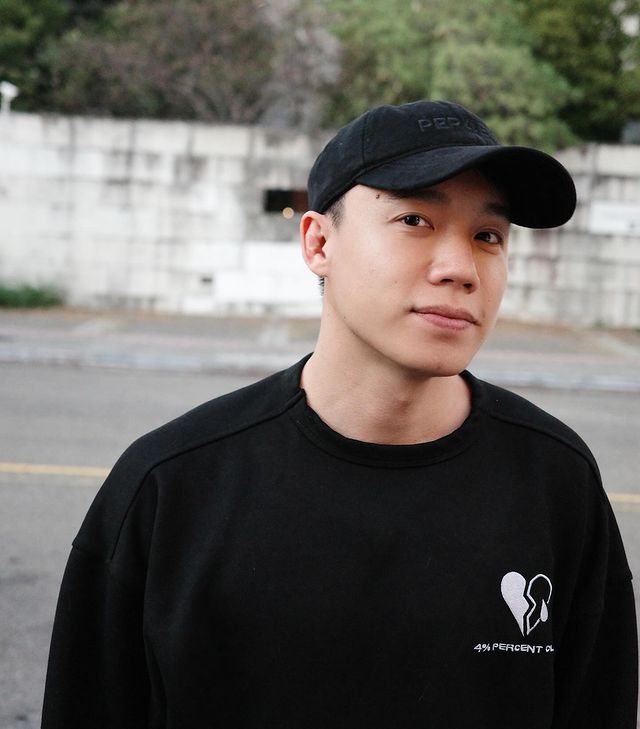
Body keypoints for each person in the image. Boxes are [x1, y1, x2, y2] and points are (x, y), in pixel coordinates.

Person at [42, 100, 637, 728]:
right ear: (319, 242)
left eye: (488, 236)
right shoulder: (170, 484)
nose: (461, 269)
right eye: (414, 219)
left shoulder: (555, 481)